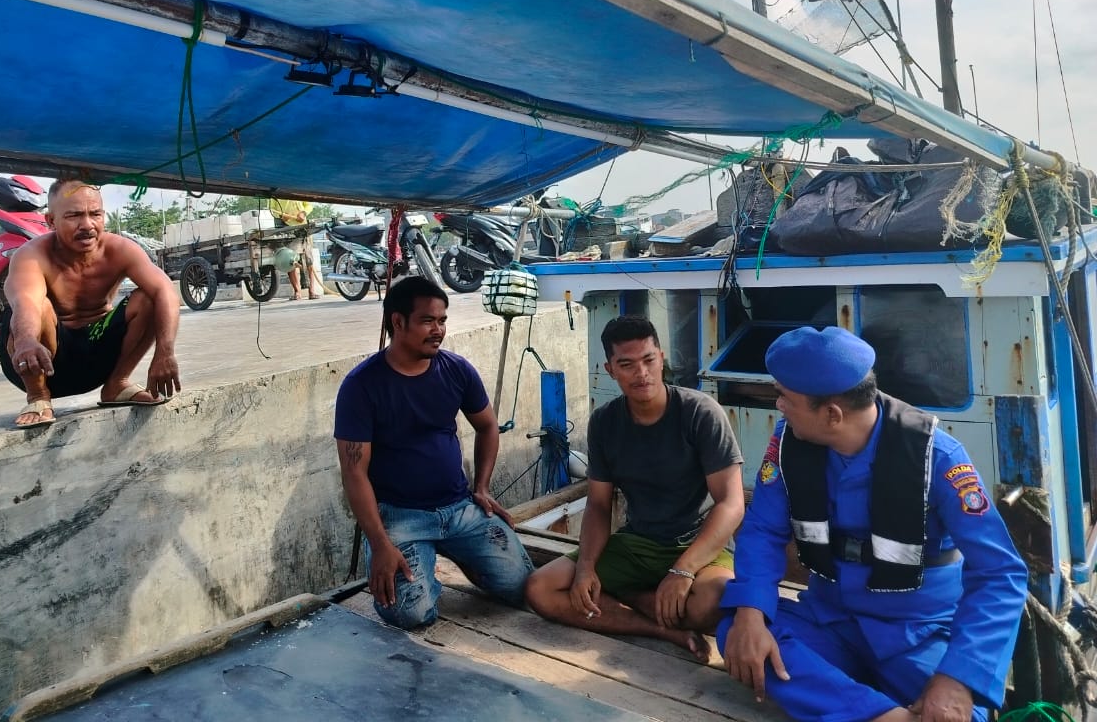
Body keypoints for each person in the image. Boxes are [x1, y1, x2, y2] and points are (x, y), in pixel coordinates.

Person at [719, 326, 1028, 722]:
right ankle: (884, 716)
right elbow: (763, 529)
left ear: (832, 414)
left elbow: (1000, 574)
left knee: (961, 716)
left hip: (915, 634)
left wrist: (957, 678)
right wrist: (751, 612)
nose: (778, 405)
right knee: (740, 633)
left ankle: (853, 703)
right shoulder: (790, 445)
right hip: (831, 621)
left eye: (785, 397)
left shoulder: (939, 460)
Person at [524, 315, 744, 661]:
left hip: (700, 545)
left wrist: (683, 570)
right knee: (541, 589)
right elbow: (598, 504)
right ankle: (660, 627)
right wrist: (586, 566)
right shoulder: (605, 422)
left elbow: (731, 503)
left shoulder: (700, 413)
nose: (641, 373)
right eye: (626, 364)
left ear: (661, 359)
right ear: (610, 369)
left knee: (715, 602)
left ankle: (637, 595)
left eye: (648, 360)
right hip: (636, 544)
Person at [334, 276, 534, 628]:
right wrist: (380, 543)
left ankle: (465, 557)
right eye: (428, 320)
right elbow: (354, 473)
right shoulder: (361, 386)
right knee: (410, 613)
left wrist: (483, 488)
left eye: (442, 320)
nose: (438, 330)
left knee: (522, 586)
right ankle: (422, 565)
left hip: (459, 509)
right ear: (398, 322)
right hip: (399, 517)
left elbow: (488, 426)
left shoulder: (456, 370)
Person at [0, 180, 182, 429]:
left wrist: (165, 352)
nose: (87, 225)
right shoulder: (31, 255)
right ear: (51, 221)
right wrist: (25, 340)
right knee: (37, 308)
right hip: (41, 362)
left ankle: (117, 384)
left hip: (96, 359)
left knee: (150, 297)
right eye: (74, 215)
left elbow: (165, 290)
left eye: (95, 214)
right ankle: (38, 397)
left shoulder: (120, 249)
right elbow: (26, 303)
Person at [269, 198, 323, 300]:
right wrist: (281, 216)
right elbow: (272, 210)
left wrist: (303, 212)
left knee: (309, 262)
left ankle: (312, 291)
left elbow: (309, 205)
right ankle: (297, 292)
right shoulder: (275, 192)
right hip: (287, 228)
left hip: (303, 227)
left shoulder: (296, 191)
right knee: (290, 261)